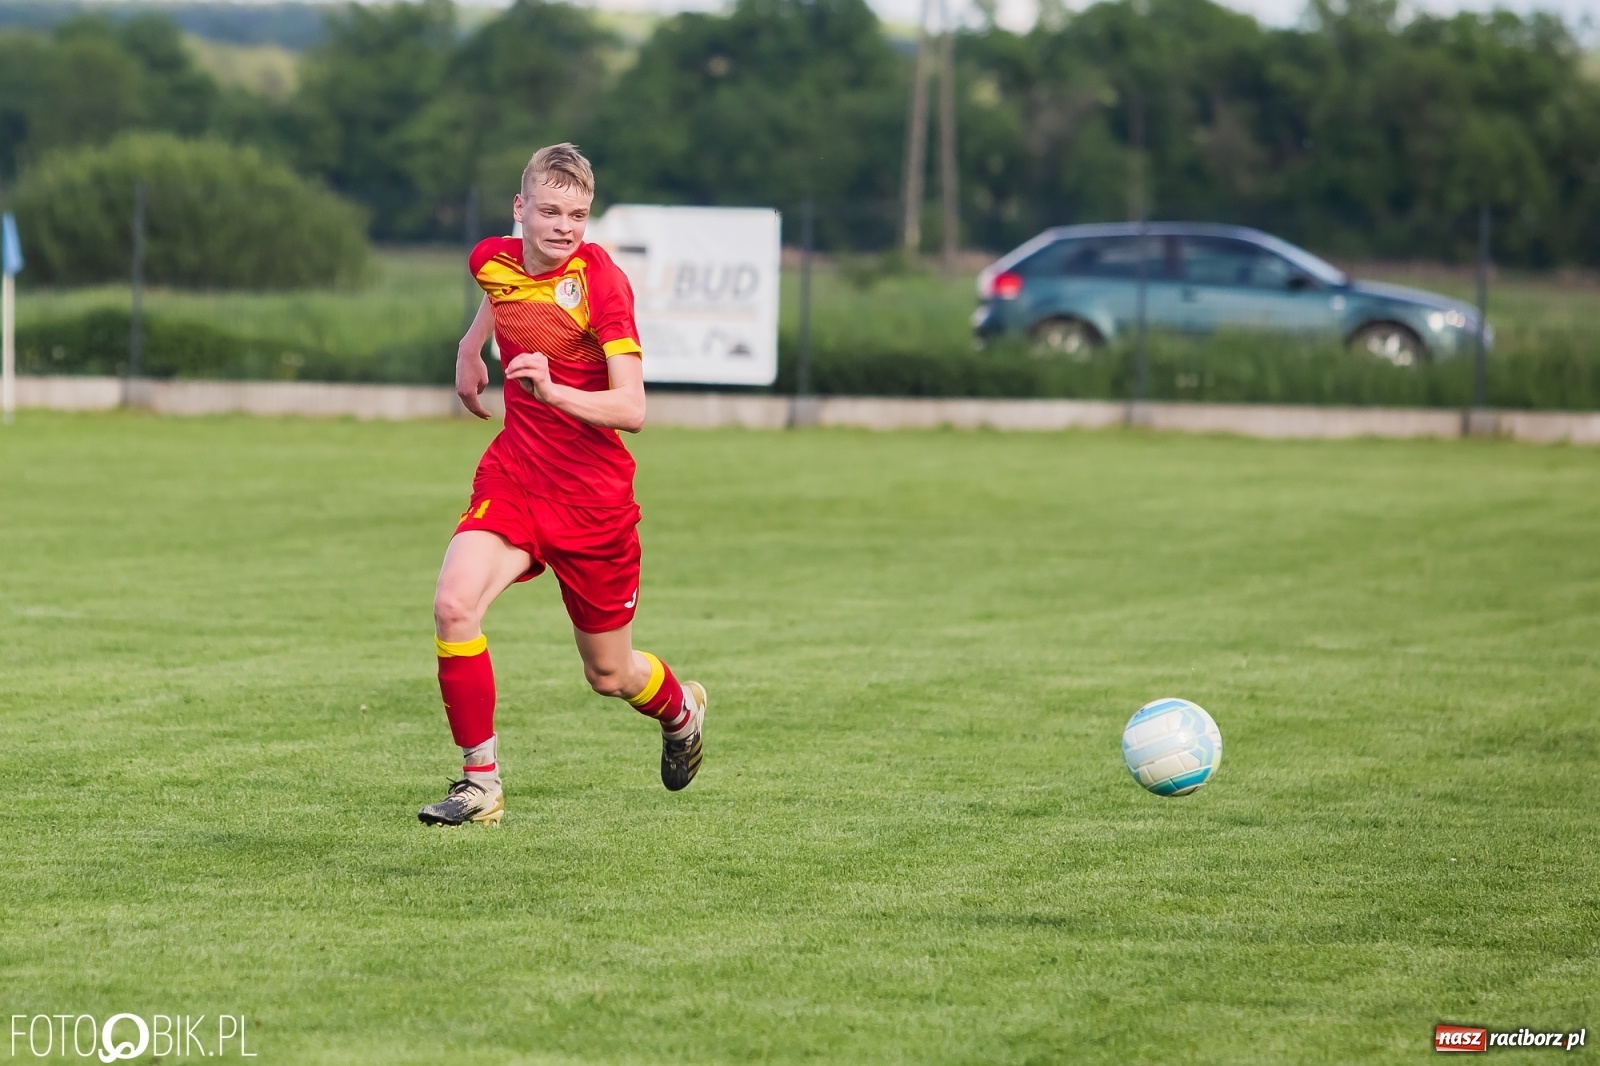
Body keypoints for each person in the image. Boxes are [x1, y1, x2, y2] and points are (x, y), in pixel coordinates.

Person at [418, 143, 705, 827]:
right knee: (455, 605)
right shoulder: (491, 258)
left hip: (593, 503)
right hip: (516, 475)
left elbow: (631, 408)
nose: (564, 226)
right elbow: (503, 292)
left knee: (609, 674)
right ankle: (480, 783)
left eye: (577, 213)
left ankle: (683, 713)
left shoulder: (601, 283)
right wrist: (468, 347)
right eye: (549, 210)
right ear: (521, 210)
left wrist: (552, 390)